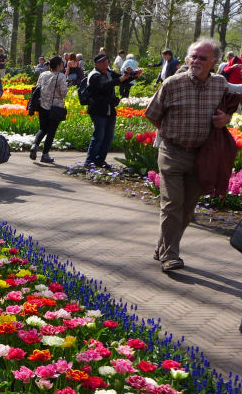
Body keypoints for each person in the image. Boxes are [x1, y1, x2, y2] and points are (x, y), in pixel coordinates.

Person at [145, 37, 242, 273]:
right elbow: (152, 114)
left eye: (202, 58)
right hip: (172, 152)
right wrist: (170, 132)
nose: (196, 61)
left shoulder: (220, 84)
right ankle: (171, 256)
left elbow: (228, 111)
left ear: (215, 61)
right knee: (171, 203)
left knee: (187, 209)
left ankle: (163, 247)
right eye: (193, 56)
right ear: (187, 58)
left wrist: (225, 120)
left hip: (202, 156)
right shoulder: (172, 83)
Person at [84, 53, 133, 168]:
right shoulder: (94, 75)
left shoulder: (109, 72)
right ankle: (89, 161)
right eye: (103, 62)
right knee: (99, 135)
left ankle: (100, 160)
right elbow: (104, 86)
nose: (106, 63)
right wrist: (121, 78)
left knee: (109, 136)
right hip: (98, 109)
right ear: (97, 64)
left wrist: (132, 75)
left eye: (107, 61)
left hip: (110, 109)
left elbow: (122, 79)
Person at [29, 56, 68, 163]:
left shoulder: (43, 74)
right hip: (55, 107)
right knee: (51, 131)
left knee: (43, 128)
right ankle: (45, 154)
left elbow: (38, 88)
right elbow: (64, 93)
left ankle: (35, 145)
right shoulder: (60, 76)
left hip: (42, 106)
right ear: (59, 65)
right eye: (62, 64)